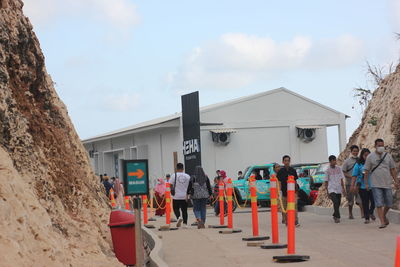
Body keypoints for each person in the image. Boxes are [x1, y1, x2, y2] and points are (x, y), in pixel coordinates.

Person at [364, 139, 400, 229]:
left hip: (387, 183)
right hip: (376, 184)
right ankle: (382, 222)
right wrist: (366, 184)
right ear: (375, 146)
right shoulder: (370, 157)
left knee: (389, 204)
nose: (381, 147)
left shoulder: (388, 156)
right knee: (379, 203)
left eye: (382, 145)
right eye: (379, 145)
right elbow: (366, 171)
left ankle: (383, 215)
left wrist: (396, 181)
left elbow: (392, 169)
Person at [351, 148, 375, 224]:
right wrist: (352, 185)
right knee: (365, 202)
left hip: (373, 186)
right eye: (365, 155)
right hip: (362, 187)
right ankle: (367, 218)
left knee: (374, 202)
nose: (367, 157)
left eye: (368, 155)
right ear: (362, 155)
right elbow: (354, 176)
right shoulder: (358, 165)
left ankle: (371, 212)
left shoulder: (373, 163)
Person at [277, 155, 299, 226]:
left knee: (294, 207)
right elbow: (279, 182)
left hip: (293, 193)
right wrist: (279, 192)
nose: (287, 162)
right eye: (285, 161)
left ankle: (295, 221)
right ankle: (287, 221)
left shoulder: (293, 170)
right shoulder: (280, 171)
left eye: (288, 161)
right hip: (284, 192)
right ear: (283, 162)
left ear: (290, 161)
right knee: (285, 208)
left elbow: (295, 181)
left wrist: (296, 191)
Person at [324, 155, 345, 223]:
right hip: (331, 189)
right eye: (333, 160)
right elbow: (326, 181)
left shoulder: (339, 168)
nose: (334, 161)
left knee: (338, 203)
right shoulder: (327, 170)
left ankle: (334, 214)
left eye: (335, 160)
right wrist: (327, 192)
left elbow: (341, 178)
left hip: (338, 188)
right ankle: (337, 217)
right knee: (335, 202)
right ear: (330, 161)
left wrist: (343, 188)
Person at [342, 145, 360, 219]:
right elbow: (344, 172)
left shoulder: (360, 160)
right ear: (351, 152)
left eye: (357, 151)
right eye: (354, 151)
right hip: (349, 184)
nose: (355, 152)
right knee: (350, 200)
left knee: (360, 199)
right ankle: (350, 214)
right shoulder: (347, 161)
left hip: (359, 183)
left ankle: (363, 214)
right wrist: (352, 177)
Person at [170, 163, 191, 228]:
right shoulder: (187, 176)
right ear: (183, 168)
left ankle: (179, 217)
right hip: (185, 196)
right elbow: (190, 186)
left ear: (176, 168)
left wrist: (172, 189)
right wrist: (188, 194)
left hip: (176, 195)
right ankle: (185, 224)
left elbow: (170, 184)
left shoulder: (174, 175)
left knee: (175, 208)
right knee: (184, 210)